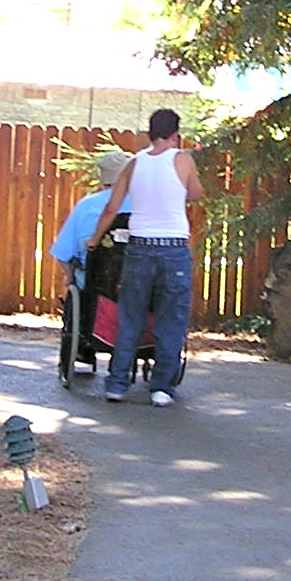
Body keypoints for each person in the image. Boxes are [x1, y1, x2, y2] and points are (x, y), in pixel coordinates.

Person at [87, 108, 202, 407]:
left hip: (139, 247)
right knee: (170, 319)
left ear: (150, 133)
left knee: (131, 317)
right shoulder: (183, 159)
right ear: (176, 134)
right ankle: (161, 388)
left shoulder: (133, 164)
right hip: (173, 247)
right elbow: (196, 194)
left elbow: (111, 208)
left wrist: (95, 239)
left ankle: (117, 383)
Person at [48, 148, 133, 274]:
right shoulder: (143, 204)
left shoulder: (86, 206)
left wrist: (70, 278)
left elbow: (62, 254)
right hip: (138, 285)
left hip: (93, 283)